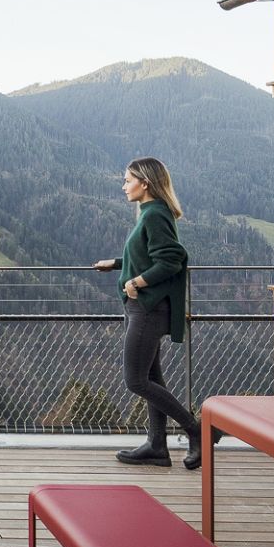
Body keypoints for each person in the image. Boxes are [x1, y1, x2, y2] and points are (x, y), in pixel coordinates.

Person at [92, 156, 218, 470]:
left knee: (135, 381)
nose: (123, 186)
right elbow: (149, 255)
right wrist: (119, 264)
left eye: (127, 180)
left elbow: (171, 259)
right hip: (143, 306)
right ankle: (157, 446)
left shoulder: (155, 214)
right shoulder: (150, 213)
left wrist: (135, 281)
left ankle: (197, 430)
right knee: (151, 377)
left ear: (145, 183)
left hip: (147, 308)